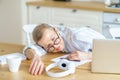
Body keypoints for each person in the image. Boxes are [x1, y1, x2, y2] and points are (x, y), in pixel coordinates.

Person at [24, 23, 105, 75]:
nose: (55, 47)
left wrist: (87, 55)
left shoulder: (77, 36)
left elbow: (111, 51)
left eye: (53, 39)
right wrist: (35, 56)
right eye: (49, 46)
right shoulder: (47, 44)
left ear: (57, 31)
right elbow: (28, 49)